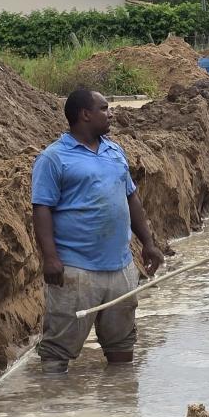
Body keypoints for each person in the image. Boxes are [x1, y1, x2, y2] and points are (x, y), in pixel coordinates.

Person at [32, 89, 165, 374]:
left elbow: (131, 198)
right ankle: (53, 401)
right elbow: (41, 209)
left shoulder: (114, 151)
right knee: (57, 354)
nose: (111, 114)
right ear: (85, 114)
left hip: (120, 268)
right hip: (76, 270)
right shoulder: (53, 158)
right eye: (104, 108)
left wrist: (148, 242)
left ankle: (120, 398)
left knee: (122, 348)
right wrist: (50, 258)